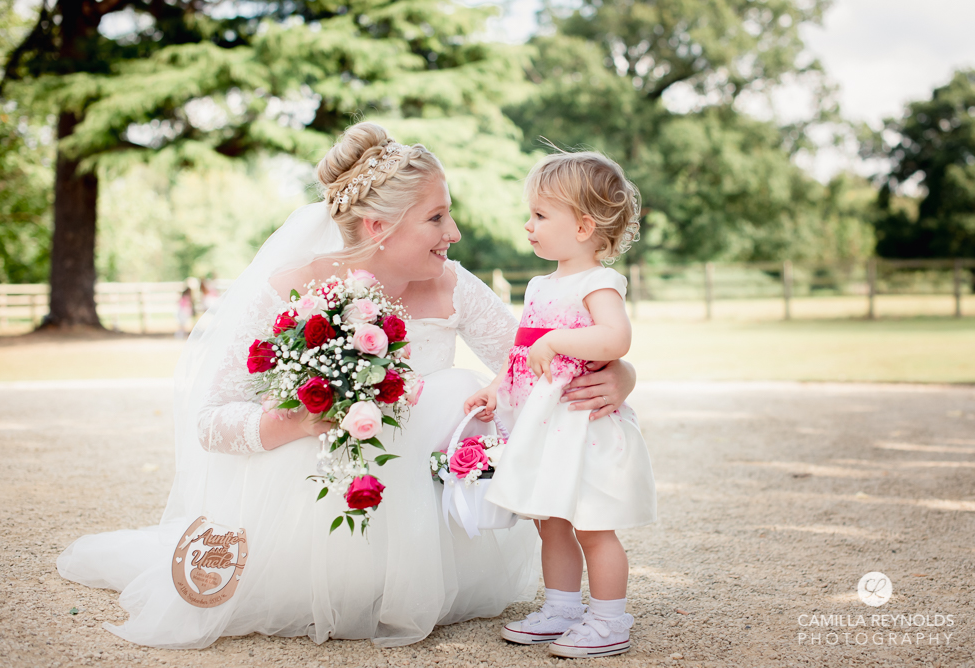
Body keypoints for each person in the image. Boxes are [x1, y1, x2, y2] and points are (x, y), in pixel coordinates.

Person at [56, 122, 639, 650]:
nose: (455, 233)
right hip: (319, 509)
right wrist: (303, 418)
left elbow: (528, 360)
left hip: (432, 538)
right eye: (436, 217)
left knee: (451, 388)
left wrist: (621, 374)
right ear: (378, 226)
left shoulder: (453, 286)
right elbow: (211, 419)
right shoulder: (292, 292)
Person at [465, 151, 657, 659]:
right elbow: (522, 353)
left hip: (582, 422)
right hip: (544, 425)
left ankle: (610, 619)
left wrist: (558, 342)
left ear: (583, 226)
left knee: (592, 524)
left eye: (540, 215)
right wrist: (496, 387)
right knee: (548, 520)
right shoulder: (539, 285)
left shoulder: (598, 283)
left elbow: (616, 338)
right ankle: (563, 608)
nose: (528, 225)